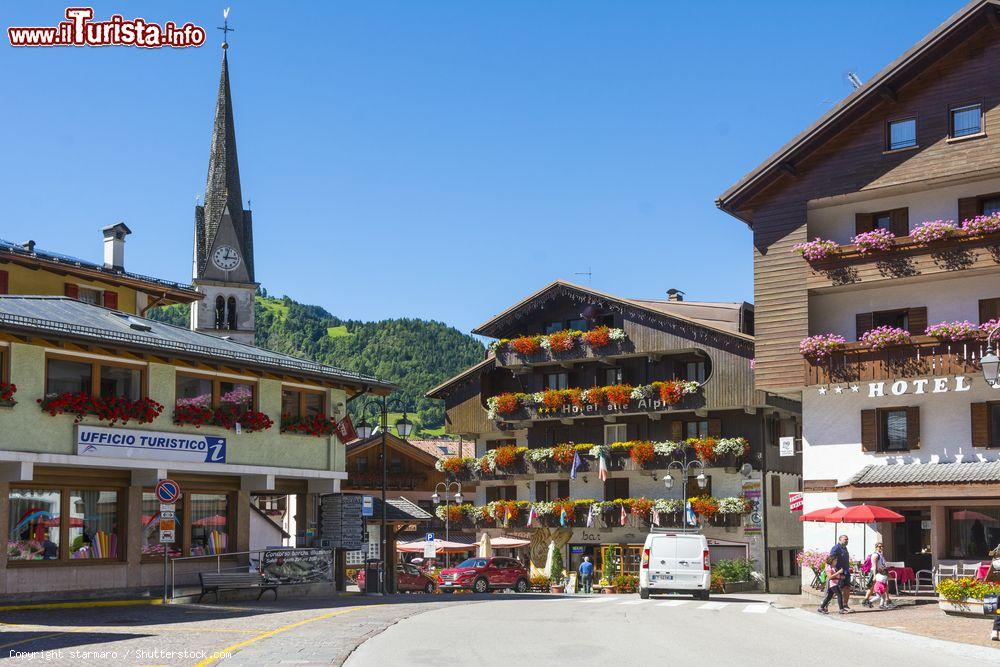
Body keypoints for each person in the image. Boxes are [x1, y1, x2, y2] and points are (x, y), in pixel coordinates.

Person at [862, 543, 889, 608]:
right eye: (879, 546)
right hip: (875, 572)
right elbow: (874, 566)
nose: (881, 548)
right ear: (876, 547)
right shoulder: (875, 555)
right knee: (871, 587)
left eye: (882, 546)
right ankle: (865, 601)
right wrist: (874, 575)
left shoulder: (880, 555)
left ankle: (886, 601)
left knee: (884, 586)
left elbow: (882, 564)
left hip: (881, 572)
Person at [830, 534, 853, 610]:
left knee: (847, 588)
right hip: (839, 572)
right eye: (845, 539)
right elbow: (831, 560)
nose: (847, 541)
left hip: (846, 571)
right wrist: (835, 572)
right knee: (836, 590)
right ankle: (825, 604)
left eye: (847, 539)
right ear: (840, 540)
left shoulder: (845, 548)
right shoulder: (836, 548)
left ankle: (845, 604)